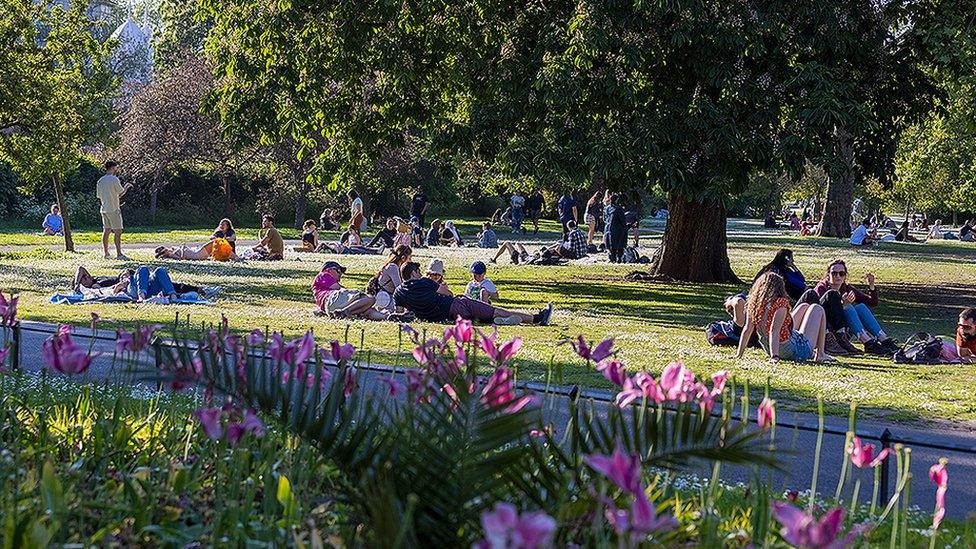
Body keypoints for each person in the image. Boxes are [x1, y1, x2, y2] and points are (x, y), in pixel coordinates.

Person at [393, 261, 553, 325]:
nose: (421, 273)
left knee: (482, 317)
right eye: (419, 271)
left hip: (446, 318)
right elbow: (448, 294)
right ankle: (537, 318)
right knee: (497, 310)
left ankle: (493, 321)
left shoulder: (399, 292)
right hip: (456, 306)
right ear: (413, 272)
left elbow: (402, 314)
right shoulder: (425, 282)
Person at [802, 259, 898, 355]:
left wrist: (871, 286)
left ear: (845, 276)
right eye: (834, 273)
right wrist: (843, 304)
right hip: (827, 330)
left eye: (841, 273)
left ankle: (884, 339)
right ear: (828, 275)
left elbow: (872, 303)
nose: (838, 276)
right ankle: (867, 342)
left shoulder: (846, 288)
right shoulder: (822, 288)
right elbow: (819, 312)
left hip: (843, 333)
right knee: (847, 307)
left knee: (860, 307)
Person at [735, 272, 832, 363]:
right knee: (817, 308)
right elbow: (774, 330)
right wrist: (775, 357)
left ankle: (813, 352)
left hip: (769, 347)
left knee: (804, 306)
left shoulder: (754, 304)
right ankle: (820, 353)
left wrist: (739, 354)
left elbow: (747, 329)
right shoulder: (780, 303)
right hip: (787, 349)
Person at [312, 260, 406, 321]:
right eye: (339, 271)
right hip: (333, 299)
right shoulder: (323, 275)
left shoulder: (320, 288)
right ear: (329, 270)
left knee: (367, 310)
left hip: (331, 307)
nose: (340, 276)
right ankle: (344, 312)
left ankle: (387, 317)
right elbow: (339, 288)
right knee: (370, 299)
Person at [491, 220, 588, 264]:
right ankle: (499, 259)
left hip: (521, 258)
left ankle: (495, 259)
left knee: (507, 243)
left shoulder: (530, 259)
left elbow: (570, 248)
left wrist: (524, 259)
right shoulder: (582, 232)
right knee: (517, 243)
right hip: (525, 256)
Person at [96, 160, 132, 260]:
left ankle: (106, 253)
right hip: (114, 208)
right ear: (112, 168)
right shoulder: (114, 179)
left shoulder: (100, 181)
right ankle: (119, 254)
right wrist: (126, 187)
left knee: (106, 230)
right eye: (115, 168)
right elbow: (121, 192)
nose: (116, 169)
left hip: (104, 208)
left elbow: (99, 196)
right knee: (118, 231)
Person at [367, 245, 413, 312]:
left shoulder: (394, 266)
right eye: (409, 257)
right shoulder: (393, 267)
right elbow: (400, 288)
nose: (410, 260)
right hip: (385, 298)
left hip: (387, 296)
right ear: (403, 258)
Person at [317, 225, 385, 255]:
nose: (350, 232)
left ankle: (376, 250)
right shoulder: (349, 236)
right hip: (349, 248)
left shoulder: (356, 236)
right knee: (361, 251)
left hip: (354, 246)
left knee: (362, 249)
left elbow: (359, 244)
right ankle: (376, 251)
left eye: (351, 230)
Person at [604, 193, 628, 263]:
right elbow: (622, 221)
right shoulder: (618, 209)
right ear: (617, 200)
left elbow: (604, 219)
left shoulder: (606, 208)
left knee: (611, 246)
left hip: (608, 228)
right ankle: (619, 259)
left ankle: (612, 258)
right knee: (620, 244)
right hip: (618, 229)